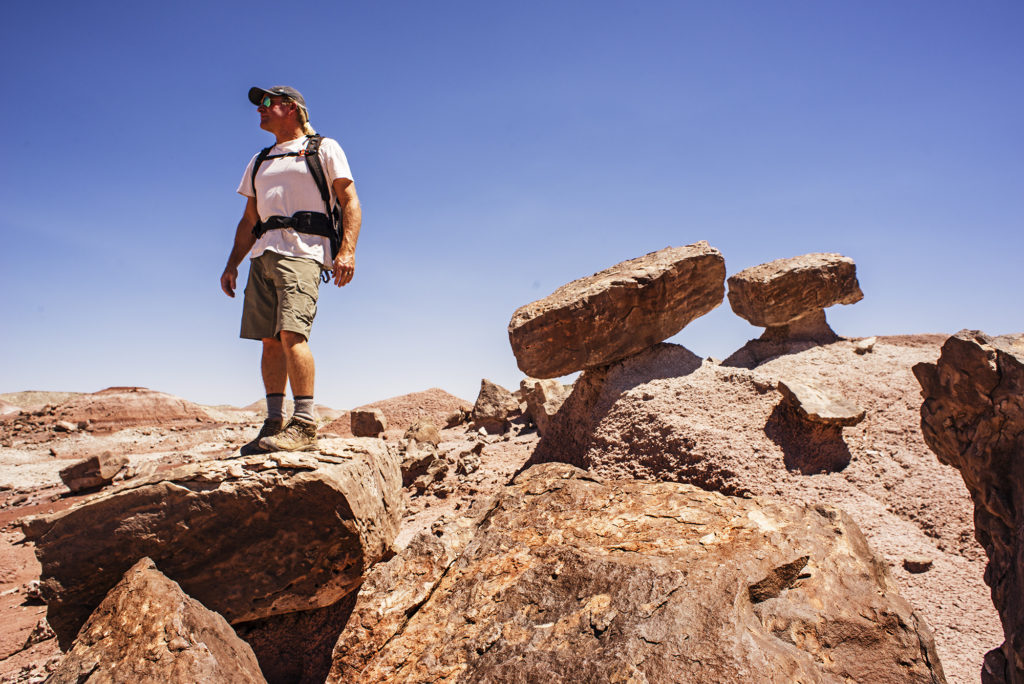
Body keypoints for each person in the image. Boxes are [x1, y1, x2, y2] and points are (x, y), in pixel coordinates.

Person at [220, 85, 361, 453]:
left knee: (291, 334)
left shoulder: (324, 148)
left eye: (267, 103)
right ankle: (273, 423)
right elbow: (249, 218)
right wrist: (232, 264)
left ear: (293, 108)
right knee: (268, 341)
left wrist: (346, 250)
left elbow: (349, 201)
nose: (260, 110)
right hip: (261, 256)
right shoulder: (259, 159)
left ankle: (304, 424)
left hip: (304, 252)